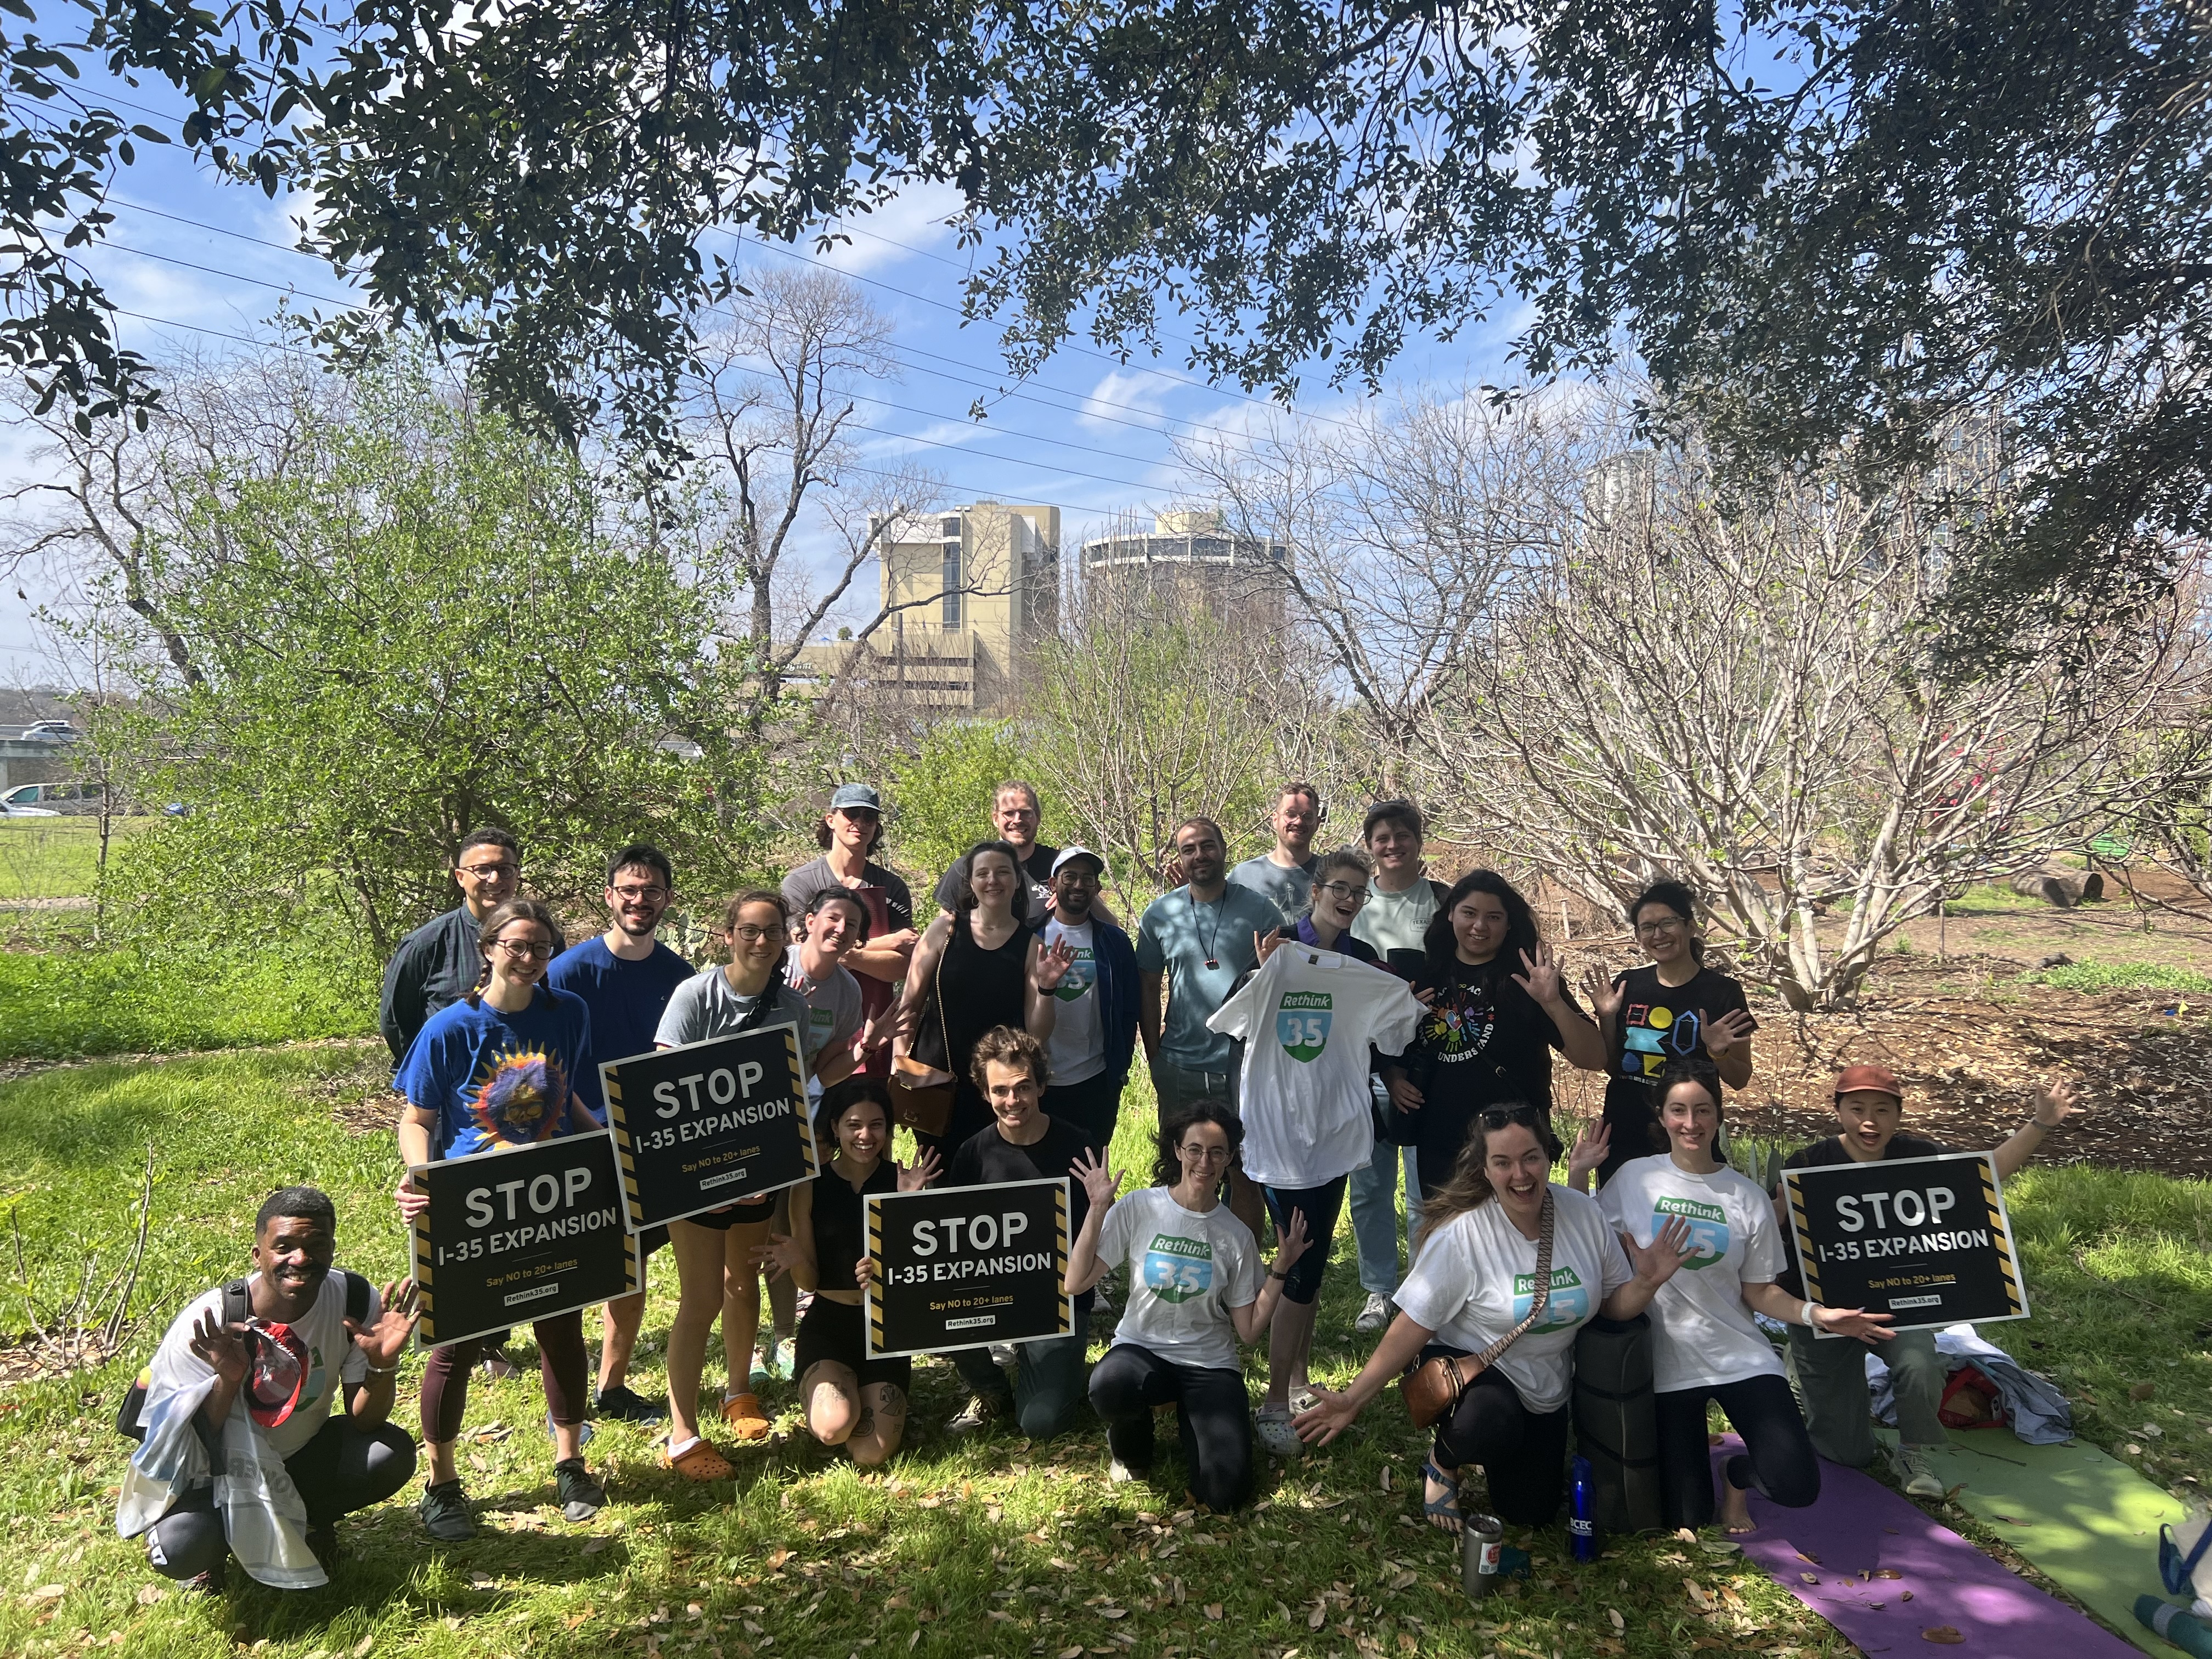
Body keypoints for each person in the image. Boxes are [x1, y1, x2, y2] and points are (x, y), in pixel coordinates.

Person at [1292, 1105, 1692, 1532]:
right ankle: (1442, 1462)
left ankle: (1506, 1450)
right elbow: (1412, 1325)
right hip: (1475, 1367)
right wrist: (1354, 1398)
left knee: (1530, 1513)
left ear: (1548, 1157)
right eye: (1503, 1163)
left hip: (1547, 1381)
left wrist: (1647, 1282)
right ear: (1485, 1170)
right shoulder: (1464, 1235)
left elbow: (1612, 1305)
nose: (1520, 1174)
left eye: (1530, 1157)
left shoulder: (1584, 1215)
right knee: (1489, 1419)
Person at [1597, 1064, 1893, 1532]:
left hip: (1740, 1356)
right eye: (1678, 1111)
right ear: (1662, 1115)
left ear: (1718, 1115)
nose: (1691, 1124)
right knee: (1686, 1517)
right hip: (1666, 1367)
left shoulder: (1746, 1195)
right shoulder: (1633, 1178)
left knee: (1797, 1485)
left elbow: (1758, 1292)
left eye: (1703, 1110)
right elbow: (1584, 1240)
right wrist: (1575, 1174)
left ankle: (1737, 1475)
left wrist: (1819, 1314)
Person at [392, 898, 606, 1540]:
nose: (529, 958)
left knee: (560, 1332)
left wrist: (610, 1154)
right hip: (470, 1204)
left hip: (549, 1197)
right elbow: (417, 1120)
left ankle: (570, 1464)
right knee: (454, 1345)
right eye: (516, 945)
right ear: (488, 948)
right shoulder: (450, 1029)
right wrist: (420, 1180)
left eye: (541, 948)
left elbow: (566, 1101)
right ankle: (443, 1484)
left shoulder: (568, 1014)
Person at [1773, 1063, 2083, 1497]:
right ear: (1838, 1111)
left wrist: (2041, 1123)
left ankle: (1913, 1451)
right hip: (1822, 1311)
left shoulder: (1918, 1155)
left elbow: (1987, 1172)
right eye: (1857, 1108)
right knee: (1847, 1454)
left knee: (1920, 1363)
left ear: (1898, 1116)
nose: (1869, 1120)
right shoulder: (1808, 1162)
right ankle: (1803, 1369)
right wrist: (1782, 1206)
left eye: (1883, 1110)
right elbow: (1770, 1226)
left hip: (1896, 1304)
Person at [1210, 888, 1425, 1457]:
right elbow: (1227, 1021)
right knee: (1297, 1270)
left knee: (1312, 1264)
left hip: (1332, 1138)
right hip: (1280, 1140)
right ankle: (1275, 1401)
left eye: (1358, 890)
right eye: (1339, 889)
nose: (1349, 898)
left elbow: (1398, 1027)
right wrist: (1260, 971)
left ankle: (1298, 1382)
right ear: (1318, 894)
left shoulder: (1360, 969)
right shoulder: (1277, 957)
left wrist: (1405, 999)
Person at [118, 1188, 420, 1591]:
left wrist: (382, 1364)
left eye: (316, 1245)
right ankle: (211, 1555)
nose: (300, 1259)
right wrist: (227, 1379)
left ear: (332, 1248)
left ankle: (310, 1524)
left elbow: (364, 1421)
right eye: (284, 1247)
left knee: (389, 1453)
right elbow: (177, 1442)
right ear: (259, 1255)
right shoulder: (212, 1322)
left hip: (294, 1459)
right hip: (211, 1474)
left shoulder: (351, 1298)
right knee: (179, 1548)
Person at [1070, 1101, 1312, 1511]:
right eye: (1195, 1149)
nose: (1205, 1161)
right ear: (1178, 1151)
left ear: (1230, 1159)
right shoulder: (1140, 1207)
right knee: (1109, 1386)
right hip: (1141, 1350)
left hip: (1208, 1363)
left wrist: (1280, 1269)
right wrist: (1097, 1209)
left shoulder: (1234, 1234)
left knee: (1225, 1496)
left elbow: (1249, 1331)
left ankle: (1193, 1417)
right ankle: (1133, 1446)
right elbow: (1077, 1281)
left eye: (1217, 1152)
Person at [651, 889, 820, 1470]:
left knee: (743, 1286)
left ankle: (738, 1392)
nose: (760, 941)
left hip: (758, 1175)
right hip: (695, 1179)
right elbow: (663, 1085)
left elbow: (794, 1091)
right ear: (728, 935)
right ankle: (682, 1433)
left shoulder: (791, 1007)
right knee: (700, 1299)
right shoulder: (695, 996)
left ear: (785, 939)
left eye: (772, 931)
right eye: (749, 930)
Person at [545, 843, 696, 1424]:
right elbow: (545, 1061)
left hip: (649, 1148)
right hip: (576, 1143)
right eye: (628, 891)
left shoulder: (680, 978)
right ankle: (566, 1396)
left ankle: (612, 1384)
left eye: (651, 891)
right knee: (573, 1269)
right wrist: (583, 1124)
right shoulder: (569, 972)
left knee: (629, 1266)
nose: (639, 901)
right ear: (609, 896)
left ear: (666, 900)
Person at [1380, 870, 1607, 1200]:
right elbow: (1393, 1043)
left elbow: (1594, 1058)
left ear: (1509, 924)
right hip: (1442, 1145)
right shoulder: (1428, 974)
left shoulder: (1530, 979)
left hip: (1514, 1149)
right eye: (1469, 913)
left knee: (1518, 1245)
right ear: (1450, 914)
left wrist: (1553, 1003)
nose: (1479, 926)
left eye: (1494, 917)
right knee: (1449, 1243)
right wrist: (1392, 1075)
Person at [755, 1078, 937, 1466]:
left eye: (876, 1125)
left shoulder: (902, 1182)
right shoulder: (811, 1187)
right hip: (830, 1323)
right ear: (835, 1128)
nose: (865, 1135)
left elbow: (920, 1280)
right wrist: (795, 1260)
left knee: (869, 1453)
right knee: (832, 1428)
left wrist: (906, 1210)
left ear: (888, 1130)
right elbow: (810, 1282)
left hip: (885, 1330)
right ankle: (839, 1389)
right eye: (854, 1125)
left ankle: (861, 1389)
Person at [940, 1026, 1100, 1436]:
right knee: (934, 1309)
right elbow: (949, 1247)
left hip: (1058, 1301)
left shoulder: (1077, 1146)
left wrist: (1103, 1209)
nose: (1012, 1102)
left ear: (1042, 1086)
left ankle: (1045, 1366)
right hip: (993, 1293)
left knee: (1041, 1424)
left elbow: (1097, 1241)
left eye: (1023, 1088)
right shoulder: (972, 1155)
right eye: (999, 1091)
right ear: (984, 1093)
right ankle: (990, 1387)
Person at [1135, 816, 1285, 1237]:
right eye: (1188, 849)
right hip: (1180, 1064)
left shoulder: (1258, 909)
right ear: (1179, 859)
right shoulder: (1160, 914)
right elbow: (1147, 985)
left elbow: (1281, 979)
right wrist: (1154, 1054)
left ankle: (1241, 1275)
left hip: (1243, 1064)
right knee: (1181, 1170)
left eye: (1207, 845)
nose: (1199, 855)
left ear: (1223, 849)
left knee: (1244, 1174)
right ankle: (1180, 1257)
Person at [1344, 799, 1452, 1335]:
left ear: (1418, 841)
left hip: (1431, 1060)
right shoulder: (1356, 906)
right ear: (1370, 845)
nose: (1393, 846)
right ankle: (1378, 1290)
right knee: (1368, 1185)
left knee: (1424, 1187)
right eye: (1382, 837)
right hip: (1366, 1063)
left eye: (1402, 836)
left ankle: (1422, 1288)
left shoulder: (1444, 903)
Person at [896, 839, 1076, 1151]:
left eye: (1003, 872)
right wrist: (900, 1064)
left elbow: (1037, 1034)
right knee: (938, 1177)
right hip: (935, 1081)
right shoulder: (944, 930)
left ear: (1018, 880)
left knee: (991, 1176)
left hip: (1001, 1087)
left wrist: (1048, 987)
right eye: (983, 873)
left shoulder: (1031, 945)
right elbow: (909, 1005)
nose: (993, 880)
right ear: (971, 881)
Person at [1578, 878, 1757, 1189]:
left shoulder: (1722, 993)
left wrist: (1718, 1053)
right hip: (1626, 1124)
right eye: (1647, 927)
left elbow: (1740, 1078)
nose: (1658, 935)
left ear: (1690, 927)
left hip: (1689, 1129)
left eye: (1668, 923)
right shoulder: (1628, 984)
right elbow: (1614, 1067)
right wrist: (1607, 1016)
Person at [380, 828, 567, 1063]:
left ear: (516, 874)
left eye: (505, 870)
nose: (495, 879)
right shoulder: (426, 945)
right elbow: (396, 1024)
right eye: (482, 870)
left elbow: (556, 1008)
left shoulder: (546, 940)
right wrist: (428, 1073)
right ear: (460, 877)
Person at [782, 783, 917, 1080]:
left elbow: (902, 967)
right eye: (851, 813)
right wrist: (888, 942)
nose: (859, 823)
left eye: (868, 817)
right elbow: (803, 952)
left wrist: (843, 953)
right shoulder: (800, 884)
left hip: (873, 1024)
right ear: (831, 819)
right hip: (812, 1022)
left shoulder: (893, 888)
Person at [1037, 847, 1141, 1156]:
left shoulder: (1114, 941)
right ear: (1053, 884)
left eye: (1088, 878)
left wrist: (1121, 1066)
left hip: (1095, 1080)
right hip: (1041, 1080)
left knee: (1091, 1167)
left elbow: (1129, 1008)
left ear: (1097, 887)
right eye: (1070, 877)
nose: (1079, 885)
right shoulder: (1030, 936)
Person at [932, 779, 1060, 916]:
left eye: (1026, 812)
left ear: (1038, 817)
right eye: (1009, 813)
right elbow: (946, 927)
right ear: (995, 819)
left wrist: (1070, 901)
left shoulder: (1060, 866)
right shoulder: (967, 868)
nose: (1017, 820)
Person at [1228, 782, 1323, 917]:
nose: (1298, 822)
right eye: (1290, 814)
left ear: (1318, 823)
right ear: (1275, 820)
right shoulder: (1244, 876)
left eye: (1307, 816)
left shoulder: (1332, 874)